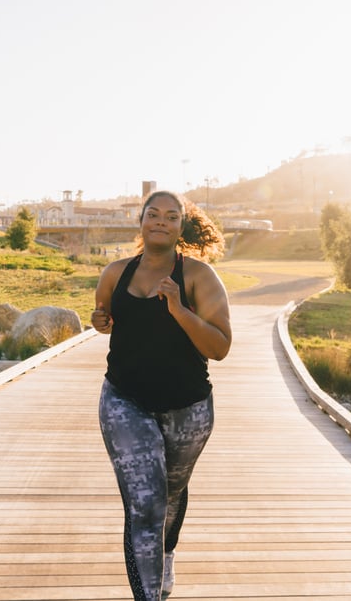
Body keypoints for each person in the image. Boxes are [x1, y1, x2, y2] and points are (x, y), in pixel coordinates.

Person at [91, 190, 232, 600]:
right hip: (124, 400)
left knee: (170, 493)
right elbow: (105, 316)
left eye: (171, 216)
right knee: (145, 505)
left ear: (180, 226)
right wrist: (101, 321)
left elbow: (220, 347)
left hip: (188, 407)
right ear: (141, 220)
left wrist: (179, 308)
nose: (160, 221)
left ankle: (165, 554)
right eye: (153, 214)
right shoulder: (116, 272)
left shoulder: (199, 277)